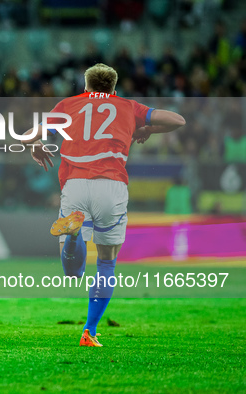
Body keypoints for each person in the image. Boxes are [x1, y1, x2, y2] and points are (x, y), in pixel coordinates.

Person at [21, 63, 185, 347]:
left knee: (72, 271)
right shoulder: (127, 106)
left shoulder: (68, 105)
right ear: (114, 88)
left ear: (86, 87)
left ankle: (73, 236)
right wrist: (144, 127)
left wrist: (36, 143)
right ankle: (90, 331)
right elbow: (177, 120)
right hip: (112, 186)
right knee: (107, 262)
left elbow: (29, 134)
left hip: (75, 184)